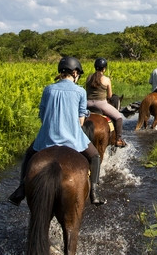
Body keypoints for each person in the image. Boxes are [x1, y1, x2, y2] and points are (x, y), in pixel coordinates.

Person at [8, 56, 106, 206]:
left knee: (29, 154)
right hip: (72, 137)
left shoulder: (48, 89)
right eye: (78, 74)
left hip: (47, 136)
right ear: (74, 73)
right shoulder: (80, 91)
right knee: (95, 156)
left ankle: (21, 189)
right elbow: (80, 122)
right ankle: (94, 192)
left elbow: (42, 115)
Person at [86, 57, 127, 148]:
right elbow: (109, 96)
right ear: (104, 68)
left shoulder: (89, 77)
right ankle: (118, 139)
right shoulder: (106, 79)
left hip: (87, 103)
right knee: (119, 117)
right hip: (101, 104)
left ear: (95, 67)